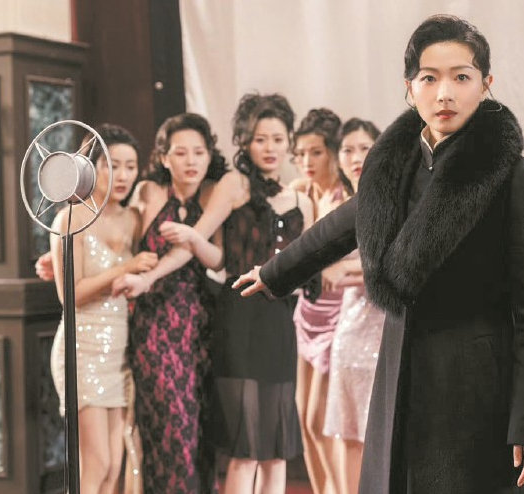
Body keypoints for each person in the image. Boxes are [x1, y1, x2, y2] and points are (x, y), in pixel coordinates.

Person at [234, 14, 524, 493]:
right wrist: (276, 272)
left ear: (486, 84)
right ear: (410, 88)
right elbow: (343, 225)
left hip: (478, 385)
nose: (444, 94)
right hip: (400, 368)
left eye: (461, 77)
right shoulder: (393, 167)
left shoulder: (517, 179)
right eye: (429, 79)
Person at [150, 93, 315, 494]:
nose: (270, 147)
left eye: (278, 139)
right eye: (260, 139)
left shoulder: (303, 202)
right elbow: (210, 250)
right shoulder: (234, 184)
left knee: (276, 451)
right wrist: (152, 273)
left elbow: (310, 270)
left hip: (279, 324)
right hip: (239, 321)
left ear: (289, 142)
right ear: (245, 142)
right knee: (246, 449)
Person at [116, 113, 226, 493]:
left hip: (200, 326)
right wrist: (59, 258)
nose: (191, 161)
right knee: (168, 428)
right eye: (181, 153)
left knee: (198, 431)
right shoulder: (149, 192)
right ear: (164, 158)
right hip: (153, 325)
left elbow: (219, 260)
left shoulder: (213, 194)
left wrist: (193, 238)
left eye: (199, 152)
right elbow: (119, 238)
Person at [47, 124, 157, 494]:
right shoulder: (70, 219)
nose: (122, 175)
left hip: (117, 353)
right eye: (112, 165)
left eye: (130, 166)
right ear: (90, 167)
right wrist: (127, 267)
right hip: (81, 350)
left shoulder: (133, 219)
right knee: (96, 463)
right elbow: (71, 295)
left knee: (115, 466)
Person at [321, 117, 384, 494]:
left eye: (365, 148)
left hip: (386, 331)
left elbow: (393, 264)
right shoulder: (334, 204)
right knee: (347, 432)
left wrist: (348, 270)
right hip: (348, 332)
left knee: (382, 433)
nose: (356, 157)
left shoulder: (395, 200)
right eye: (348, 149)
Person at [290, 108, 347, 494]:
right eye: (300, 154)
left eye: (316, 152)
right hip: (307, 310)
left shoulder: (347, 195)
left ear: (332, 152)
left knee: (319, 419)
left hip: (338, 313)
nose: (307, 161)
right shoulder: (300, 191)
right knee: (303, 418)